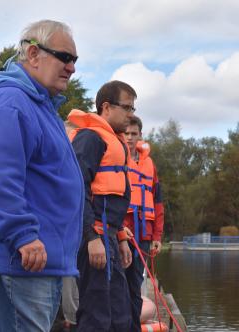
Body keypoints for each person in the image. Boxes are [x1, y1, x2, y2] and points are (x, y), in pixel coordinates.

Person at [0, 19, 84, 332]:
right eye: (65, 57)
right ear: (34, 54)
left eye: (75, 60)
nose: (72, 68)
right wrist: (22, 234)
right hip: (22, 259)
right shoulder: (11, 104)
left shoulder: (38, 105)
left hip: (38, 260)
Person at [67, 80, 137, 332]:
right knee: (97, 315)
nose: (131, 115)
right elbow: (76, 189)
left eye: (133, 109)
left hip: (108, 234)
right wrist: (91, 236)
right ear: (106, 107)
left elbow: (114, 197)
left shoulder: (114, 141)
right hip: (93, 235)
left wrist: (120, 237)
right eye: (127, 108)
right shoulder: (90, 138)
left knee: (120, 313)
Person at [123, 115, 165, 332]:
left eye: (134, 134)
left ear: (140, 135)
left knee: (134, 287)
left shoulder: (149, 163)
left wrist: (157, 236)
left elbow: (157, 203)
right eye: (126, 133)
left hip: (143, 235)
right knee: (116, 287)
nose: (129, 138)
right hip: (120, 233)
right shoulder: (113, 156)